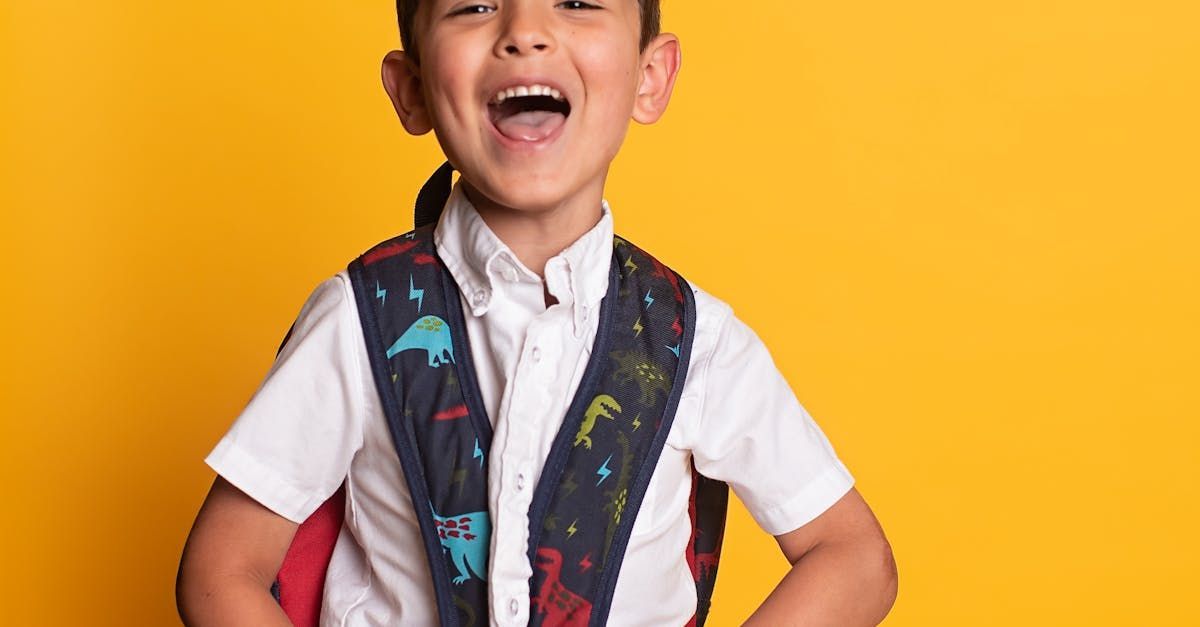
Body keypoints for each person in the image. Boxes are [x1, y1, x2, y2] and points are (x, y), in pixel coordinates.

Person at [176, 1, 898, 625]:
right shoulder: (359, 319)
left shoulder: (697, 341)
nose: (526, 31)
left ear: (651, 78)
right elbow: (220, 571)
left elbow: (855, 558)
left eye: (577, 2)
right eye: (475, 6)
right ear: (414, 90)